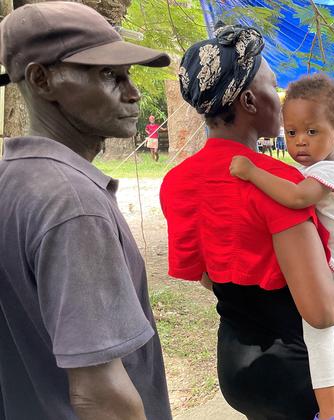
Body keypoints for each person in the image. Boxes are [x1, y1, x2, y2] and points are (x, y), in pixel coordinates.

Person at [161, 23, 334, 419]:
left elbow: (205, 275)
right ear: (251, 101)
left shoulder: (177, 182)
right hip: (298, 372)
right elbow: (321, 312)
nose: (282, 97)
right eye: (275, 86)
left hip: (237, 364)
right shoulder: (280, 185)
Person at [0, 3, 172, 419]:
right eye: (108, 75)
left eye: (128, 75)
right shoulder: (73, 204)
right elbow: (100, 396)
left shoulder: (12, 178)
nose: (131, 92)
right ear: (42, 80)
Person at [228, 73, 334, 420]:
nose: (300, 143)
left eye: (312, 132)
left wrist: (252, 172)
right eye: (291, 132)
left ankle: (329, 412)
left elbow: (296, 197)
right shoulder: (327, 167)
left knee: (318, 328)